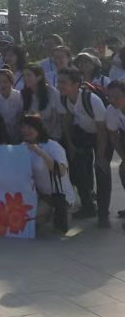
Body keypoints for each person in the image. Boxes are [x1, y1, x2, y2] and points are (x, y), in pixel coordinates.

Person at [57, 67, 110, 227]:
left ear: (76, 84)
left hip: (104, 136)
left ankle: (103, 215)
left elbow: (102, 131)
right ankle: (88, 206)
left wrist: (99, 156)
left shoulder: (91, 99)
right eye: (59, 81)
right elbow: (66, 122)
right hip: (85, 134)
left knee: (101, 172)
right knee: (78, 169)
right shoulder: (63, 99)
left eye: (64, 82)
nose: (59, 85)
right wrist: (71, 145)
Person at [20, 113, 74, 233]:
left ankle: (60, 213)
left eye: (29, 127)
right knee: (22, 219)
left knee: (30, 220)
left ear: (38, 128)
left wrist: (39, 152)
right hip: (41, 196)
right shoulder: (22, 147)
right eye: (23, 127)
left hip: (59, 196)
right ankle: (45, 215)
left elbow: (61, 171)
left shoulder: (53, 146)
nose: (25, 130)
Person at [21, 65, 62, 141]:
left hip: (51, 135)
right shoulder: (24, 94)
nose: (25, 78)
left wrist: (44, 136)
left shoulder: (51, 92)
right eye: (24, 75)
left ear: (39, 77)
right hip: (32, 137)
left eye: (29, 75)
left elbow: (54, 118)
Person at [104, 81, 125, 227]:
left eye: (116, 97)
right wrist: (123, 157)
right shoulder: (111, 110)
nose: (112, 100)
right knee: (123, 171)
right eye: (109, 97)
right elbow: (113, 135)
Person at [0, 69, 24, 143]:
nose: (2, 85)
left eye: (5, 82)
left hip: (16, 132)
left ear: (11, 82)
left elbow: (21, 115)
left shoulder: (19, 96)